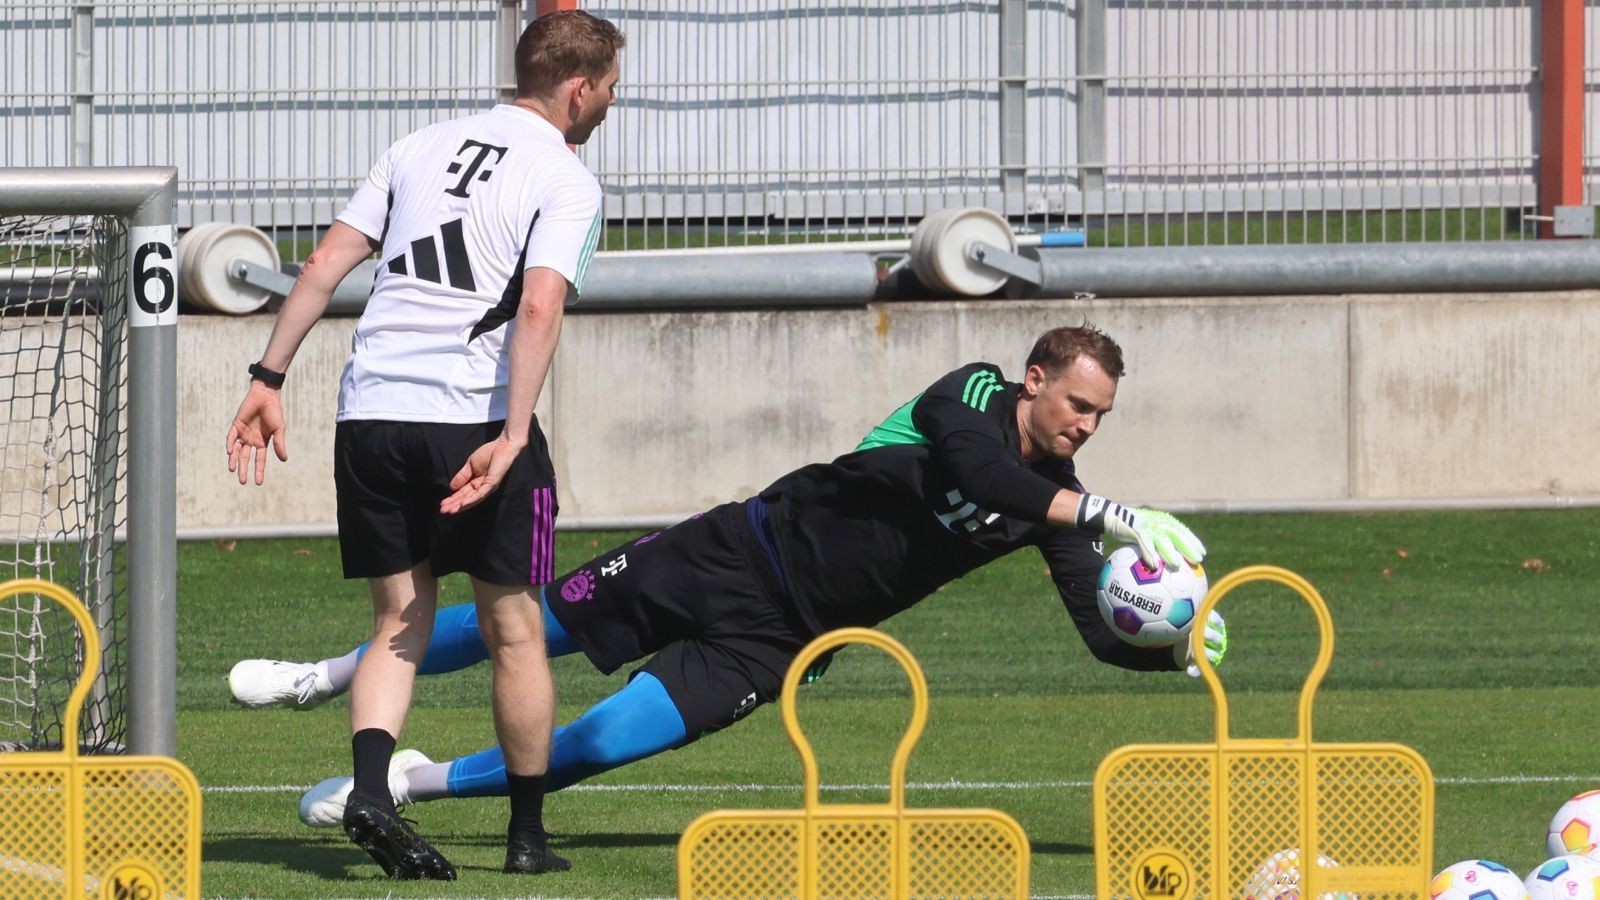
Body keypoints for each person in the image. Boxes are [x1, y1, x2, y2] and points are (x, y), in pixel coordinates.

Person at [229, 324, 1227, 828]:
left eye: (1099, 420)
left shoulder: (1059, 502)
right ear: (1037, 378)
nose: (1081, 428)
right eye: (1076, 406)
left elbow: (1096, 627)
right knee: (527, 631)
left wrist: (1170, 646)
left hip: (781, 640)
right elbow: (976, 472)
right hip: (732, 550)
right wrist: (1105, 512)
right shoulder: (968, 395)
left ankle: (416, 780)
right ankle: (323, 674)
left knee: (607, 740)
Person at [222, 9, 624, 880]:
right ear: (579, 88)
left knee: (397, 621)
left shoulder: (417, 144)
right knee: (515, 628)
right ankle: (526, 837)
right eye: (611, 92)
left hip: (369, 414)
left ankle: (371, 786)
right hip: (470, 419)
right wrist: (514, 435)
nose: (609, 107)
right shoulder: (567, 178)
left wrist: (267, 377)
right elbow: (540, 307)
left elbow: (327, 260)